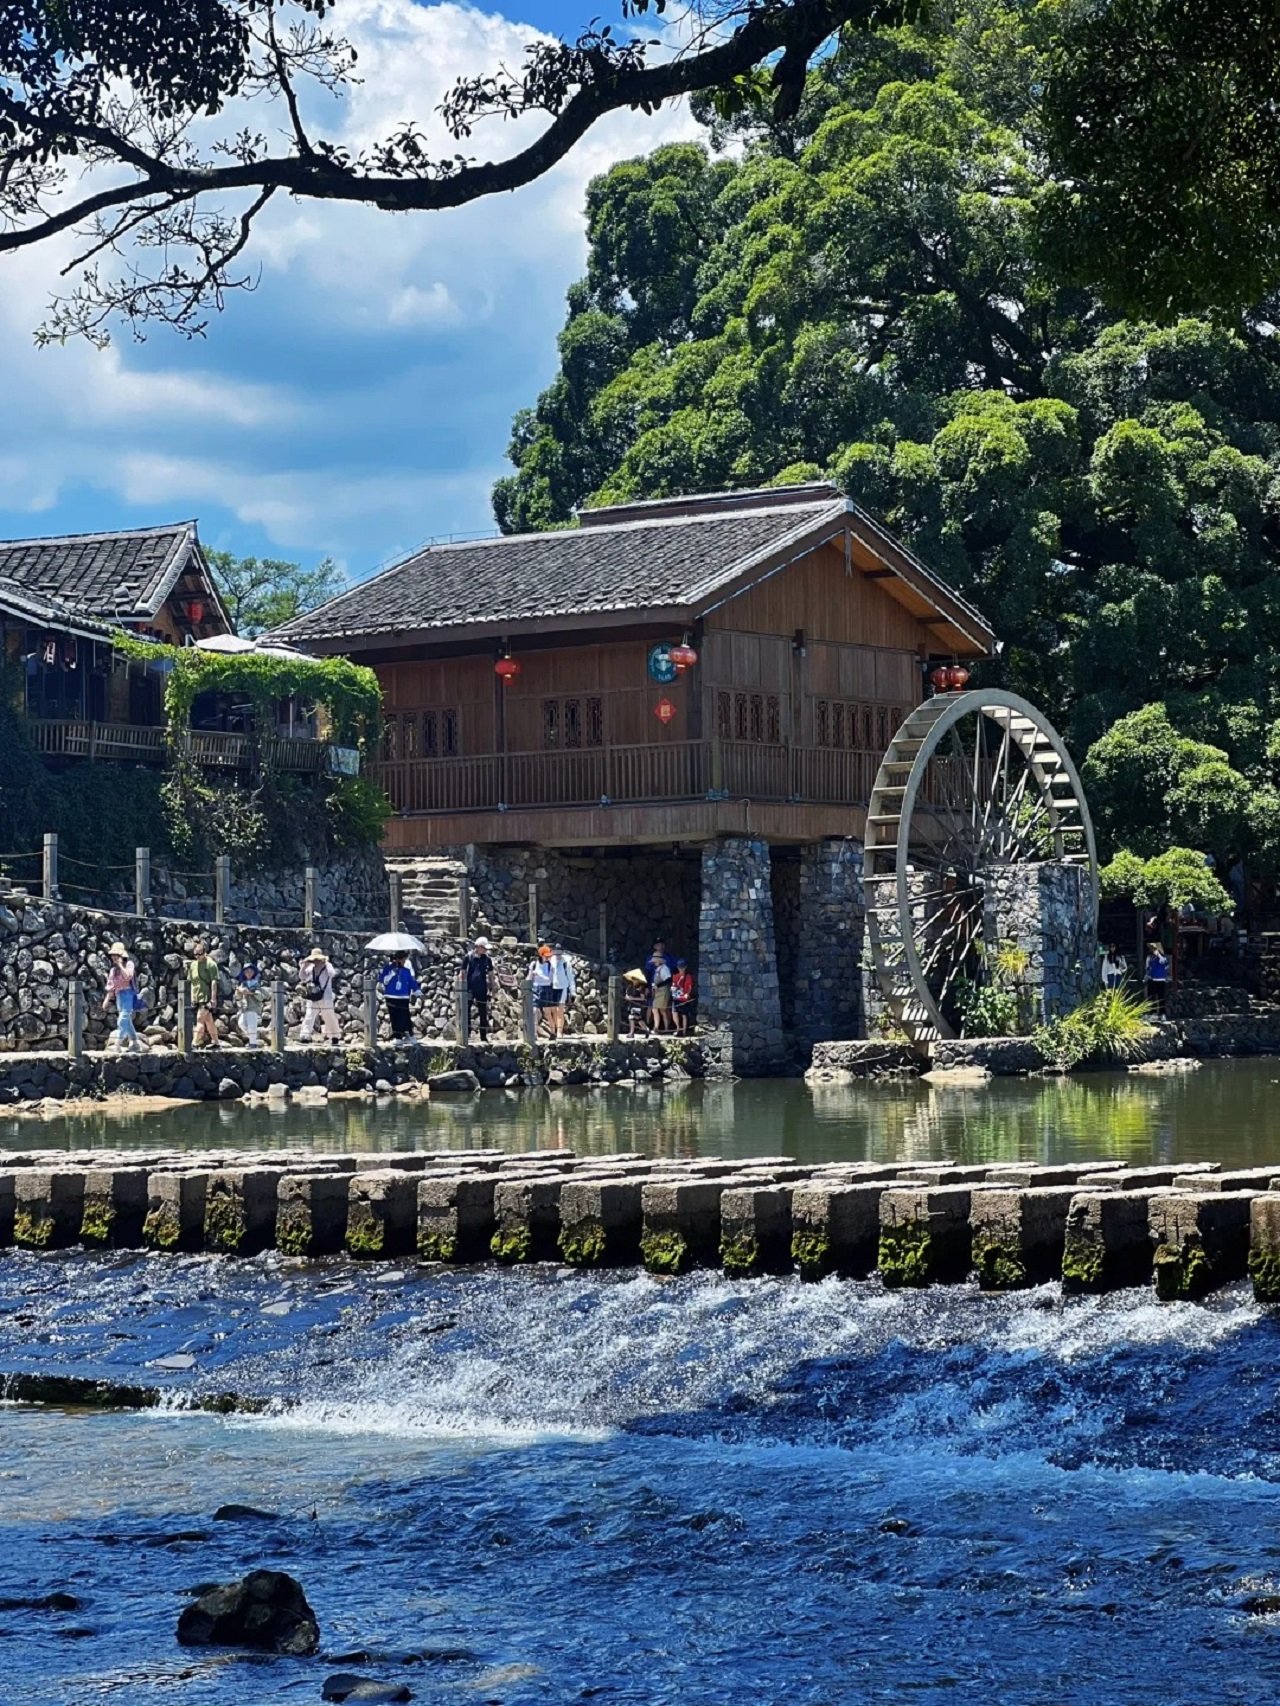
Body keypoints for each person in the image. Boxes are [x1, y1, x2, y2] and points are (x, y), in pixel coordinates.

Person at [104, 941, 142, 1053]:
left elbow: (128, 977)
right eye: (112, 955)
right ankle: (135, 1042)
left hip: (129, 994)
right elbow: (111, 986)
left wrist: (120, 965)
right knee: (127, 1020)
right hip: (119, 995)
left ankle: (118, 1043)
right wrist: (106, 1000)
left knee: (122, 1019)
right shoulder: (113, 971)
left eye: (116, 955)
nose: (114, 958)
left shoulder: (129, 964)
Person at [299, 945, 340, 1042]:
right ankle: (305, 1036)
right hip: (313, 995)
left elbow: (332, 974)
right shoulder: (310, 967)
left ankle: (335, 1036)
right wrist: (304, 965)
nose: (316, 961)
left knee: (329, 1016)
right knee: (309, 1015)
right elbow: (302, 976)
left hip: (325, 996)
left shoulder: (327, 967)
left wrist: (327, 963)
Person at [378, 950, 420, 1040]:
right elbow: (382, 980)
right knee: (394, 1017)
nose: (403, 962)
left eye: (404, 960)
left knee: (405, 1015)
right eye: (402, 960)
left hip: (403, 996)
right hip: (391, 996)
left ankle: (410, 1034)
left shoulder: (406, 971)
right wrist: (391, 974)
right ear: (397, 959)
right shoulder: (388, 969)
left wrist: (417, 990)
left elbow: (411, 981)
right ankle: (398, 1037)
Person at [188, 939, 220, 1048]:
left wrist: (213, 998)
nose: (197, 957)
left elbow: (214, 982)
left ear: (204, 952)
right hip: (197, 996)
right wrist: (192, 997)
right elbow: (192, 982)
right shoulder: (193, 965)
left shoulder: (211, 964)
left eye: (199, 954)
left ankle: (194, 1043)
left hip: (207, 997)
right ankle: (216, 1042)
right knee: (208, 1020)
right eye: (195, 954)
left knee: (200, 1019)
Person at [462, 936, 494, 1042]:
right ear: (479, 947)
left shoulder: (487, 959)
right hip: (470, 987)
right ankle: (467, 1034)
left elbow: (490, 973)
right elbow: (463, 972)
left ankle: (483, 1036)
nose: (486, 950)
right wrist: (462, 986)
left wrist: (492, 987)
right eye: (484, 948)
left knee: (483, 1012)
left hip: (482, 988)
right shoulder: (468, 957)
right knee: (467, 1011)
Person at [544, 942, 576, 1038]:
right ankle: (552, 1030)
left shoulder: (566, 963)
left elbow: (570, 977)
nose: (557, 954)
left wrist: (573, 991)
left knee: (559, 1010)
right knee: (551, 1010)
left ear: (562, 952)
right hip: (552, 987)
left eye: (559, 952)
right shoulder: (550, 961)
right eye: (555, 952)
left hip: (562, 988)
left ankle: (559, 1032)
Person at [236, 962, 264, 1048]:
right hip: (245, 1007)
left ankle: (253, 1043)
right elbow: (237, 997)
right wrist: (239, 991)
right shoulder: (242, 984)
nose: (248, 973)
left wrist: (249, 992)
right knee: (241, 1023)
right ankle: (253, 1039)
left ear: (253, 973)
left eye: (250, 971)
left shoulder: (257, 983)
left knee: (252, 1025)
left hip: (254, 1007)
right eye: (246, 971)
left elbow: (261, 996)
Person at [528, 944, 553, 1036]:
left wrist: (539, 975)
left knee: (547, 1011)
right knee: (534, 1011)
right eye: (546, 956)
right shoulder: (534, 964)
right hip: (535, 988)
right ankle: (534, 1033)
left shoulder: (550, 966)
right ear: (541, 955)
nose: (548, 958)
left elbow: (549, 980)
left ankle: (553, 1032)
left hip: (546, 988)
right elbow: (529, 978)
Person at [648, 948, 674, 1032]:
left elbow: (669, 980)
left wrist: (658, 985)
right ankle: (661, 1027)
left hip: (663, 991)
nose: (654, 963)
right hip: (658, 992)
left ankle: (657, 1028)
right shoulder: (658, 969)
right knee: (659, 1010)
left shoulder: (664, 969)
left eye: (655, 961)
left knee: (658, 1009)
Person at [1145, 942, 1170, 1014]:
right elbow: (1148, 968)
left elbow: (1165, 964)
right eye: (1152, 949)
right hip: (1152, 979)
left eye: (1155, 949)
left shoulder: (1163, 957)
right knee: (1151, 997)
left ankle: (1162, 1013)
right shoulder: (1150, 958)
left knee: (1161, 998)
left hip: (1161, 980)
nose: (1153, 950)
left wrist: (1158, 955)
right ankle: (1152, 1012)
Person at [623, 968, 649, 1035]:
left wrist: (633, 998)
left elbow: (643, 998)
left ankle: (631, 1033)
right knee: (638, 1019)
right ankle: (646, 1029)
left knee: (631, 1017)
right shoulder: (630, 987)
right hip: (632, 1005)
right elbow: (627, 995)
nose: (634, 980)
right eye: (633, 979)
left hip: (639, 1005)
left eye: (636, 979)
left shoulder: (641, 987)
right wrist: (628, 998)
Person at [672, 958, 695, 1033]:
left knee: (684, 1015)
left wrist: (687, 994)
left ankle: (684, 1030)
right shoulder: (675, 976)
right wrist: (673, 988)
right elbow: (674, 984)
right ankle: (678, 1028)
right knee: (674, 1013)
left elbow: (690, 987)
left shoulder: (688, 976)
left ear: (685, 967)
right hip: (676, 997)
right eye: (679, 967)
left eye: (682, 967)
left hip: (684, 998)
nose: (681, 969)